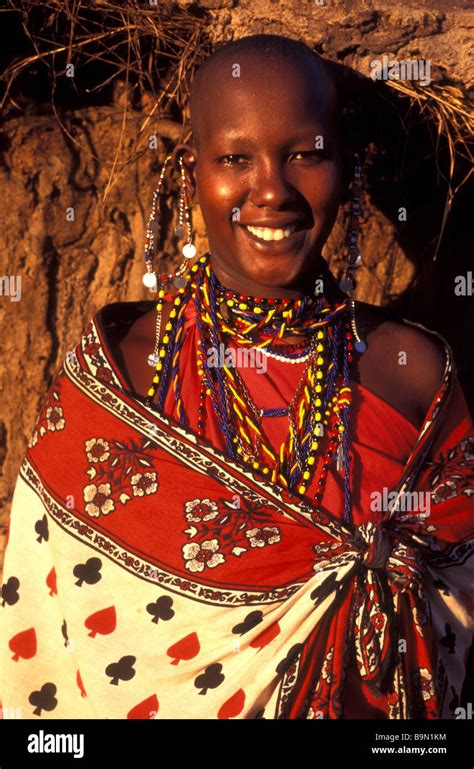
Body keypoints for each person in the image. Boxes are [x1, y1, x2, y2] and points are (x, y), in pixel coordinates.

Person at [0, 34, 473, 720]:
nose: (272, 191)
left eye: (305, 154)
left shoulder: (415, 375)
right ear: (191, 173)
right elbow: (46, 646)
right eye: (234, 159)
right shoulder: (119, 380)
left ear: (346, 169)